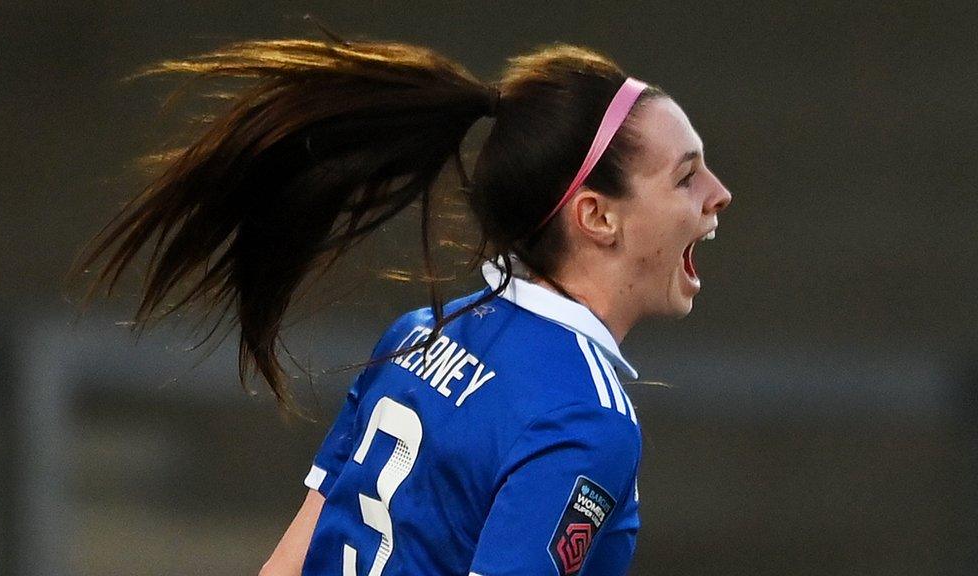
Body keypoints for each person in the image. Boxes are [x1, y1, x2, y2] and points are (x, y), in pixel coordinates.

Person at [73, 33, 730, 576]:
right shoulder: (584, 418)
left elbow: (289, 561)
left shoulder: (419, 335)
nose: (718, 193)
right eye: (685, 175)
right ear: (597, 217)